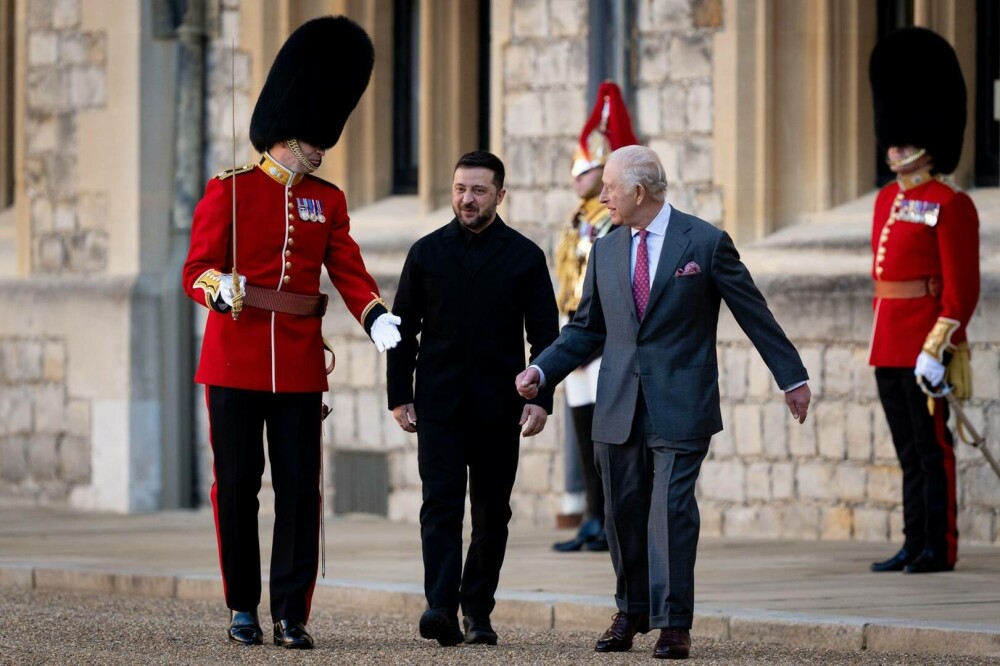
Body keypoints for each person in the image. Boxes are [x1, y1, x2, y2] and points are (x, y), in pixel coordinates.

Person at [516, 145, 811, 660]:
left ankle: (674, 623)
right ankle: (631, 612)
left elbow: (753, 312)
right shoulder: (606, 249)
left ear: (639, 190)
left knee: (670, 510)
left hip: (682, 401)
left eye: (609, 185)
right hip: (617, 404)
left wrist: (791, 377)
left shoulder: (705, 241)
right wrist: (542, 372)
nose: (601, 194)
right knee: (621, 512)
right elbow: (587, 330)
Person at [182, 16, 401, 650]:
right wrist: (218, 289)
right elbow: (195, 271)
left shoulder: (325, 201)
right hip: (233, 360)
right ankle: (243, 609)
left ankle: (290, 613)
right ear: (288, 133)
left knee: (301, 491)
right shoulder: (230, 191)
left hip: (300, 365)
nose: (322, 149)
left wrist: (374, 316)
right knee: (239, 489)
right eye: (314, 139)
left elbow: (349, 269)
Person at [386, 151, 560, 647]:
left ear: (500, 195)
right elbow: (403, 330)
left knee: (491, 514)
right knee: (439, 508)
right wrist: (400, 395)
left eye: (479, 190)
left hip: (498, 408)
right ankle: (440, 606)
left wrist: (541, 396)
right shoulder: (426, 253)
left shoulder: (526, 256)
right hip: (437, 406)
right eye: (461, 188)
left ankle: (477, 610)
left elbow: (545, 334)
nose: (467, 198)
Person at [867, 28, 980, 575]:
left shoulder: (949, 203)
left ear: (927, 140)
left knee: (934, 450)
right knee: (908, 452)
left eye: (903, 137)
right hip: (887, 341)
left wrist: (940, 347)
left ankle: (941, 545)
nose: (894, 145)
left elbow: (961, 287)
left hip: (926, 343)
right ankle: (914, 541)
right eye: (891, 135)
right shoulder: (887, 199)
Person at [552, 81, 637, 553]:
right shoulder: (577, 218)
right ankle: (591, 515)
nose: (576, 177)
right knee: (584, 430)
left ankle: (610, 520)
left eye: (585, 169)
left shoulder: (610, 219)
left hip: (604, 336)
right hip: (578, 327)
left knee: (608, 433)